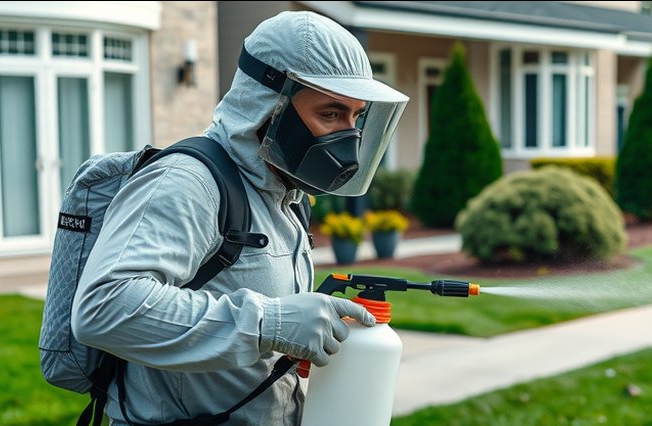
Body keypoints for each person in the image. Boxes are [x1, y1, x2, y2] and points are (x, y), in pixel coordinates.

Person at [71, 11, 407, 425]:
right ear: (269, 104)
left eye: (356, 117)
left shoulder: (284, 194)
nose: (348, 136)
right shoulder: (187, 182)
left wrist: (297, 334)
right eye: (331, 114)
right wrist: (270, 324)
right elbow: (104, 307)